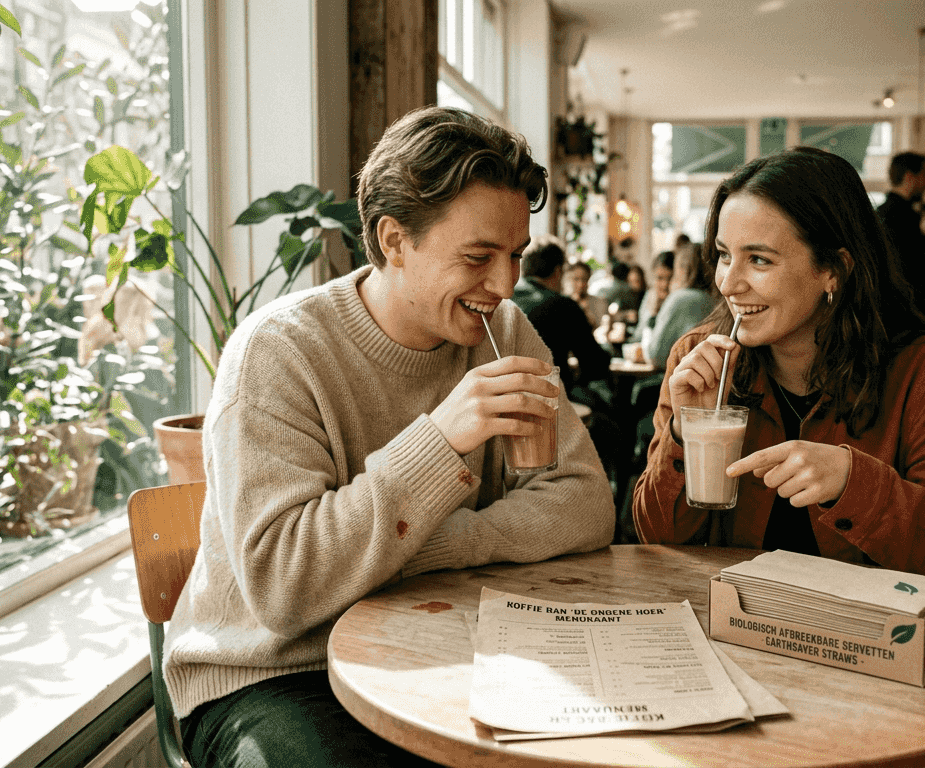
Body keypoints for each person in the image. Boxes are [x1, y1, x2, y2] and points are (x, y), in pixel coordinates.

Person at [166, 106, 615, 768]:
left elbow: (584, 503)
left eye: (515, 255)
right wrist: (440, 440)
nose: (504, 284)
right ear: (394, 239)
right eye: (478, 256)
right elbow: (287, 590)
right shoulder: (279, 352)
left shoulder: (507, 334)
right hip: (278, 675)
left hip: (442, 642)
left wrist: (427, 547)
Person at [632, 147, 925, 587]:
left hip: (863, 638)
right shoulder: (699, 359)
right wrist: (684, 432)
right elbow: (655, 538)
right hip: (733, 627)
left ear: (834, 270)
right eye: (725, 255)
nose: (728, 283)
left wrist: (853, 484)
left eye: (760, 259)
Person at [511, 234, 611, 398]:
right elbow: (595, 365)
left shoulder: (504, 299)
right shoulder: (564, 306)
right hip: (552, 401)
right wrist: (607, 349)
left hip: (504, 398)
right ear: (558, 271)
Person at [876, 152, 925, 318]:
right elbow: (909, 268)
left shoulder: (882, 212)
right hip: (907, 313)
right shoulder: (901, 216)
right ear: (909, 177)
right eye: (924, 175)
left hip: (892, 311)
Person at [644, 243, 718, 368]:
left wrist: (651, 319)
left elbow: (655, 356)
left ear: (683, 269)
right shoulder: (716, 299)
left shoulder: (680, 298)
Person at [632, 250, 675, 343]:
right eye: (660, 278)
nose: (665, 284)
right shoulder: (650, 296)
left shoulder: (678, 301)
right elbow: (638, 334)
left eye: (670, 278)